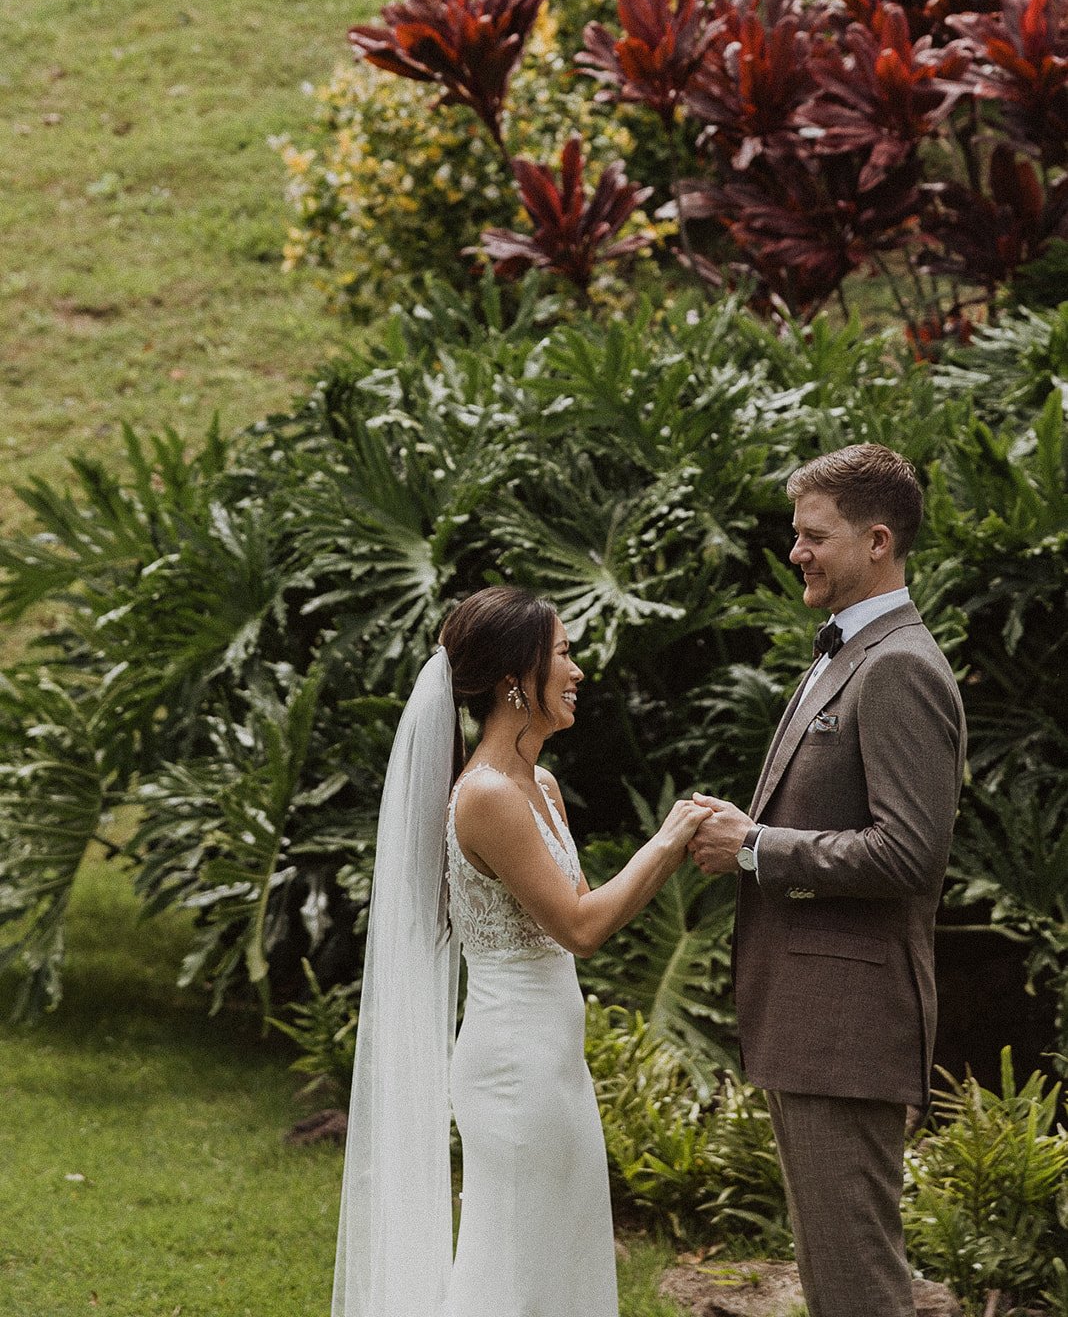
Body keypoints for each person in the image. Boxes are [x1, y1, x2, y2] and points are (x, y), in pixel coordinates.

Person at [332, 583, 710, 1317]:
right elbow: (580, 928)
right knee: (509, 1269)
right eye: (562, 655)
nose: (577, 671)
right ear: (515, 682)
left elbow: (579, 911)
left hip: (554, 1059)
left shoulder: (540, 785)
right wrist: (669, 840)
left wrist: (676, 841)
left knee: (556, 1258)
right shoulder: (487, 798)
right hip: (512, 1065)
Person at [689, 442, 966, 1317]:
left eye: (814, 536)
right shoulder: (847, 651)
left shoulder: (899, 667)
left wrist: (756, 847)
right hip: (813, 1023)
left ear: (877, 540)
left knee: (857, 1289)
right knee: (834, 1281)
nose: (796, 552)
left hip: (848, 1030)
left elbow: (910, 853)